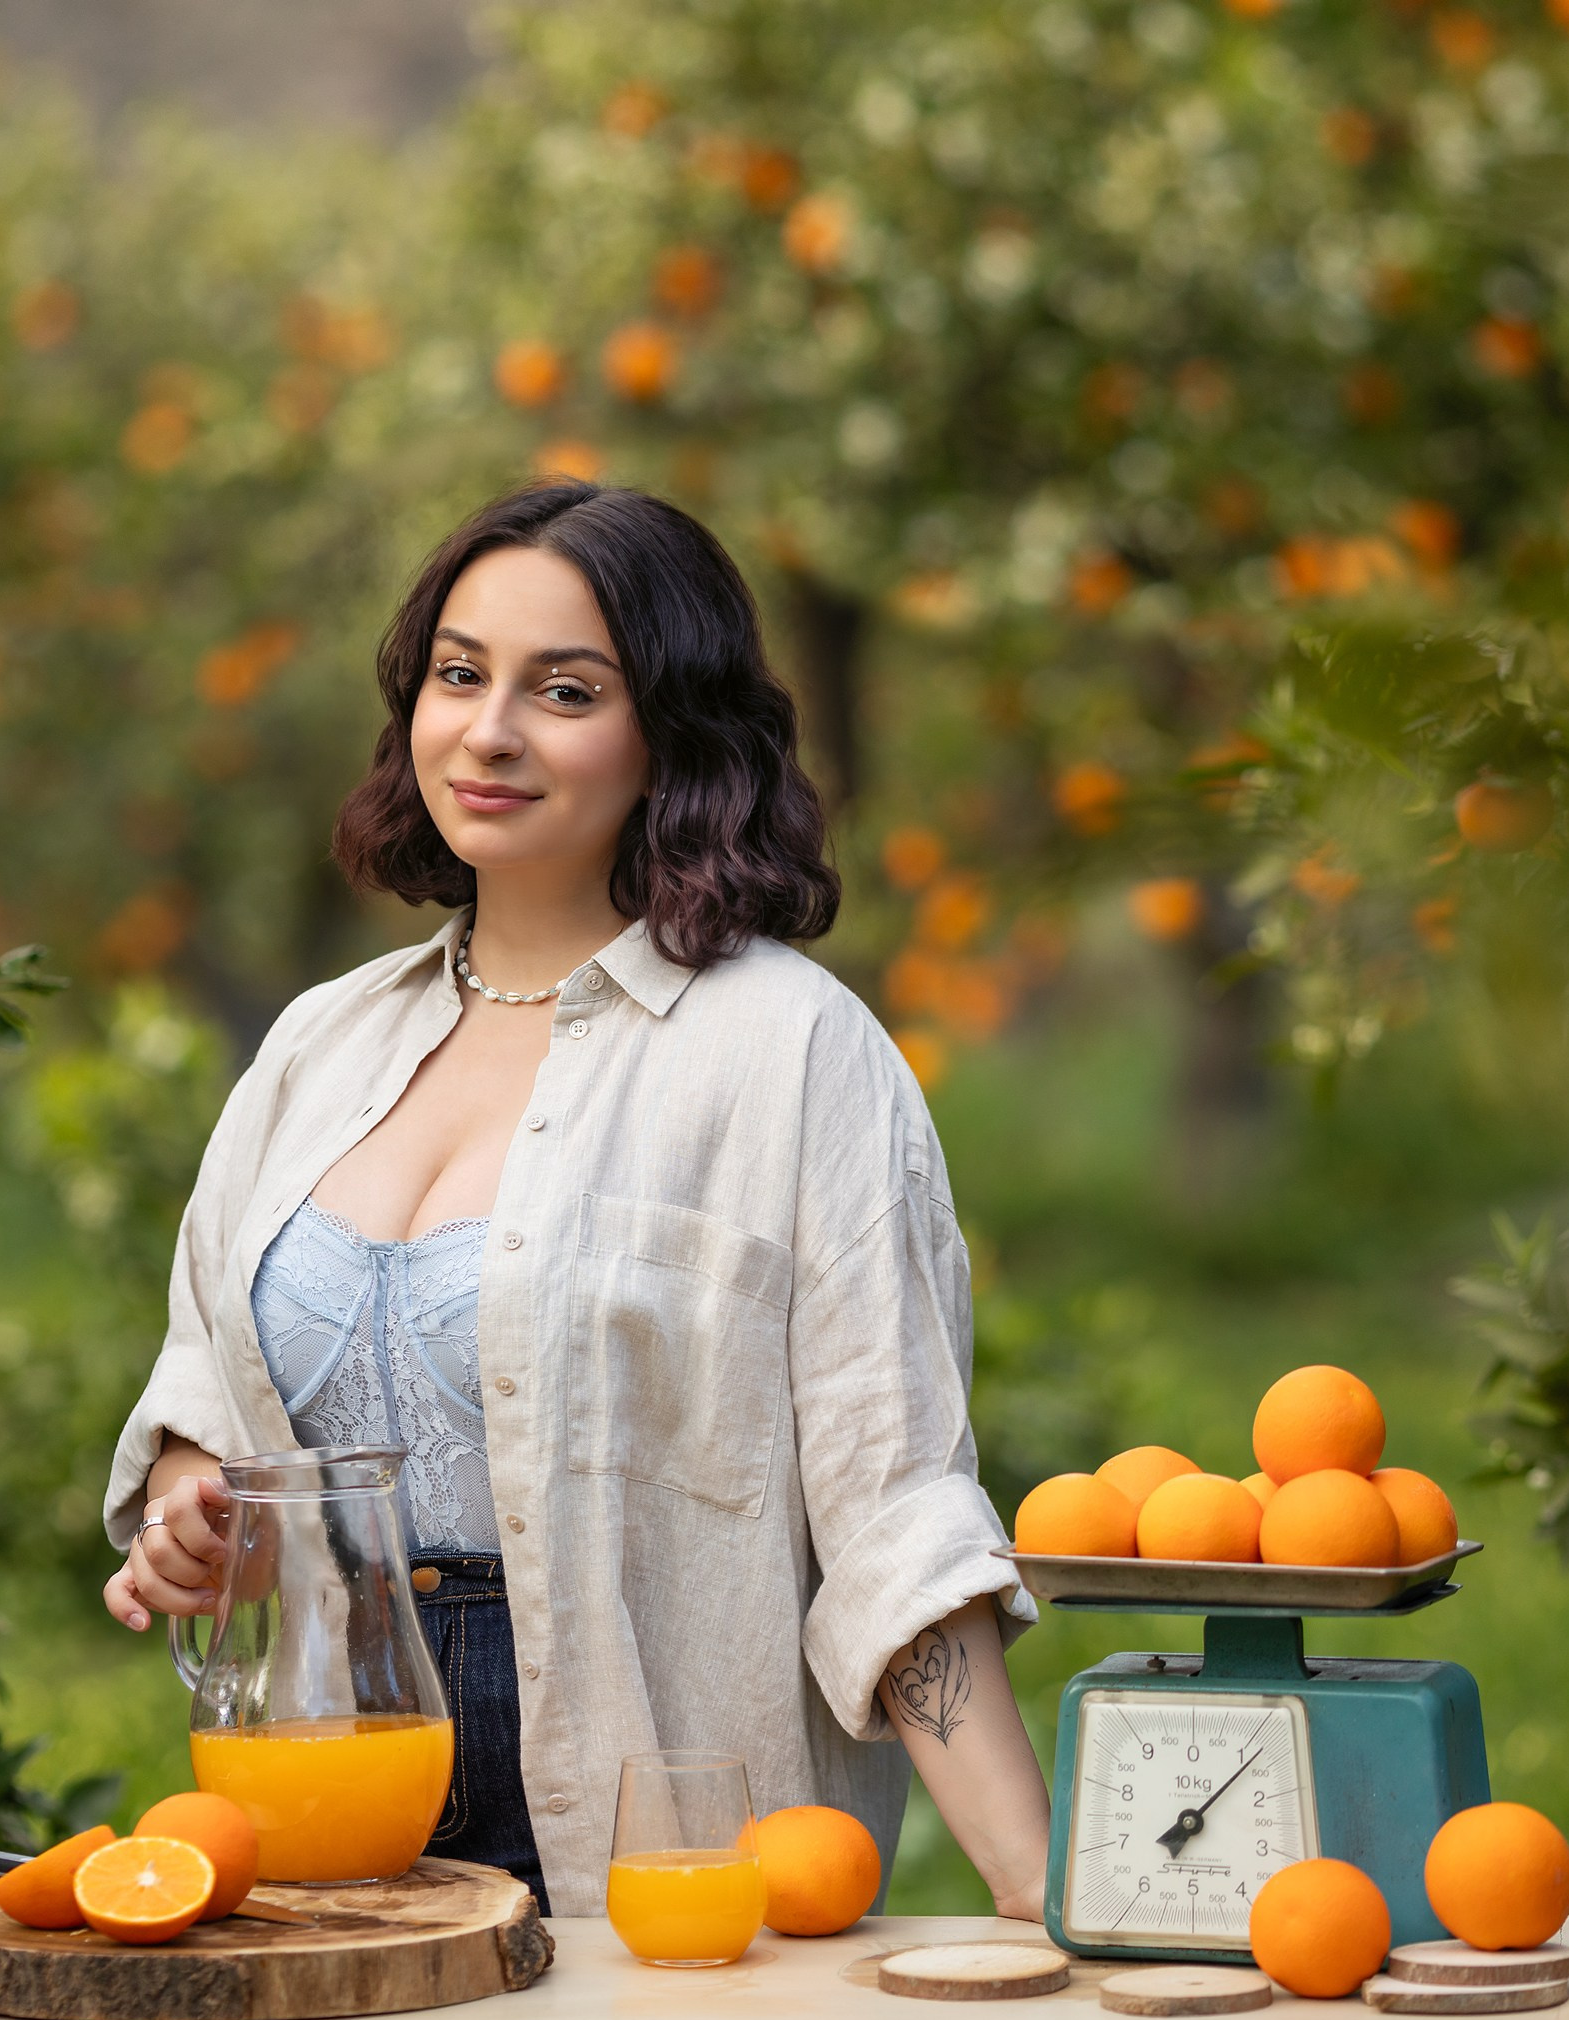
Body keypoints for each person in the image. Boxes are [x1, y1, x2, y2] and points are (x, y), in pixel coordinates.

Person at [101, 480, 1051, 1919]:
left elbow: (896, 1511)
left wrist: (1046, 1902)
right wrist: (193, 1508)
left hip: (648, 1828)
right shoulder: (317, 1047)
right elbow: (209, 1408)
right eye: (459, 675)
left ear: (669, 729)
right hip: (320, 1811)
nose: (489, 731)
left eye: (565, 689)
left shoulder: (789, 1054)